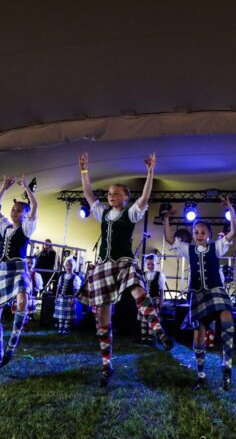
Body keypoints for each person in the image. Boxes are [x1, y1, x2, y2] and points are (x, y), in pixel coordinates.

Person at [76, 151, 173, 388]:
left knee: (138, 289)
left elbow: (145, 197)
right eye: (109, 193)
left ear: (126, 197)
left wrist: (150, 173)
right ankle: (107, 364)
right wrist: (84, 171)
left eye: (116, 193)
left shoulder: (131, 213)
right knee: (102, 315)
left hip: (124, 262)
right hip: (104, 265)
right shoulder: (103, 213)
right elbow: (88, 195)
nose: (111, 196)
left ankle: (158, 329)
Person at [164, 197, 236, 391]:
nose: (198, 235)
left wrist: (230, 209)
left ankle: (227, 367)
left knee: (227, 318)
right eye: (196, 232)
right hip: (197, 294)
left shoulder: (216, 247)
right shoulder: (188, 250)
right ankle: (201, 375)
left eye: (203, 232)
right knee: (199, 335)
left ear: (209, 235)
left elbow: (233, 232)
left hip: (216, 291)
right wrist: (166, 219)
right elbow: (170, 239)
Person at [0, 176, 38, 377]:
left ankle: (12, 344)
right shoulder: (5, 226)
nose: (15, 212)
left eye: (19, 210)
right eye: (13, 210)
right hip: (4, 270)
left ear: (25, 215)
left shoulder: (27, 227)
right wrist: (3, 187)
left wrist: (26, 188)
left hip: (19, 267)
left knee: (23, 301)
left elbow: (35, 206)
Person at [138, 253, 166, 344]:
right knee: (144, 319)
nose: (150, 266)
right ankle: (143, 338)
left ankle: (150, 338)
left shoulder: (159, 275)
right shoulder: (143, 274)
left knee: (152, 319)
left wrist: (161, 302)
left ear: (156, 263)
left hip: (154, 299)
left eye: (152, 264)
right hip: (144, 299)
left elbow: (162, 290)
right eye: (148, 264)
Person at [53, 257, 82, 334]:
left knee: (67, 315)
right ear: (65, 266)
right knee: (61, 314)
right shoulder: (61, 277)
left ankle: (65, 328)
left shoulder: (75, 278)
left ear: (74, 266)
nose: (69, 267)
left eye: (71, 265)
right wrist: (56, 298)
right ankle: (60, 328)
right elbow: (58, 288)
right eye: (67, 265)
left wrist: (74, 299)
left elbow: (77, 290)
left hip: (69, 298)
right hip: (61, 298)